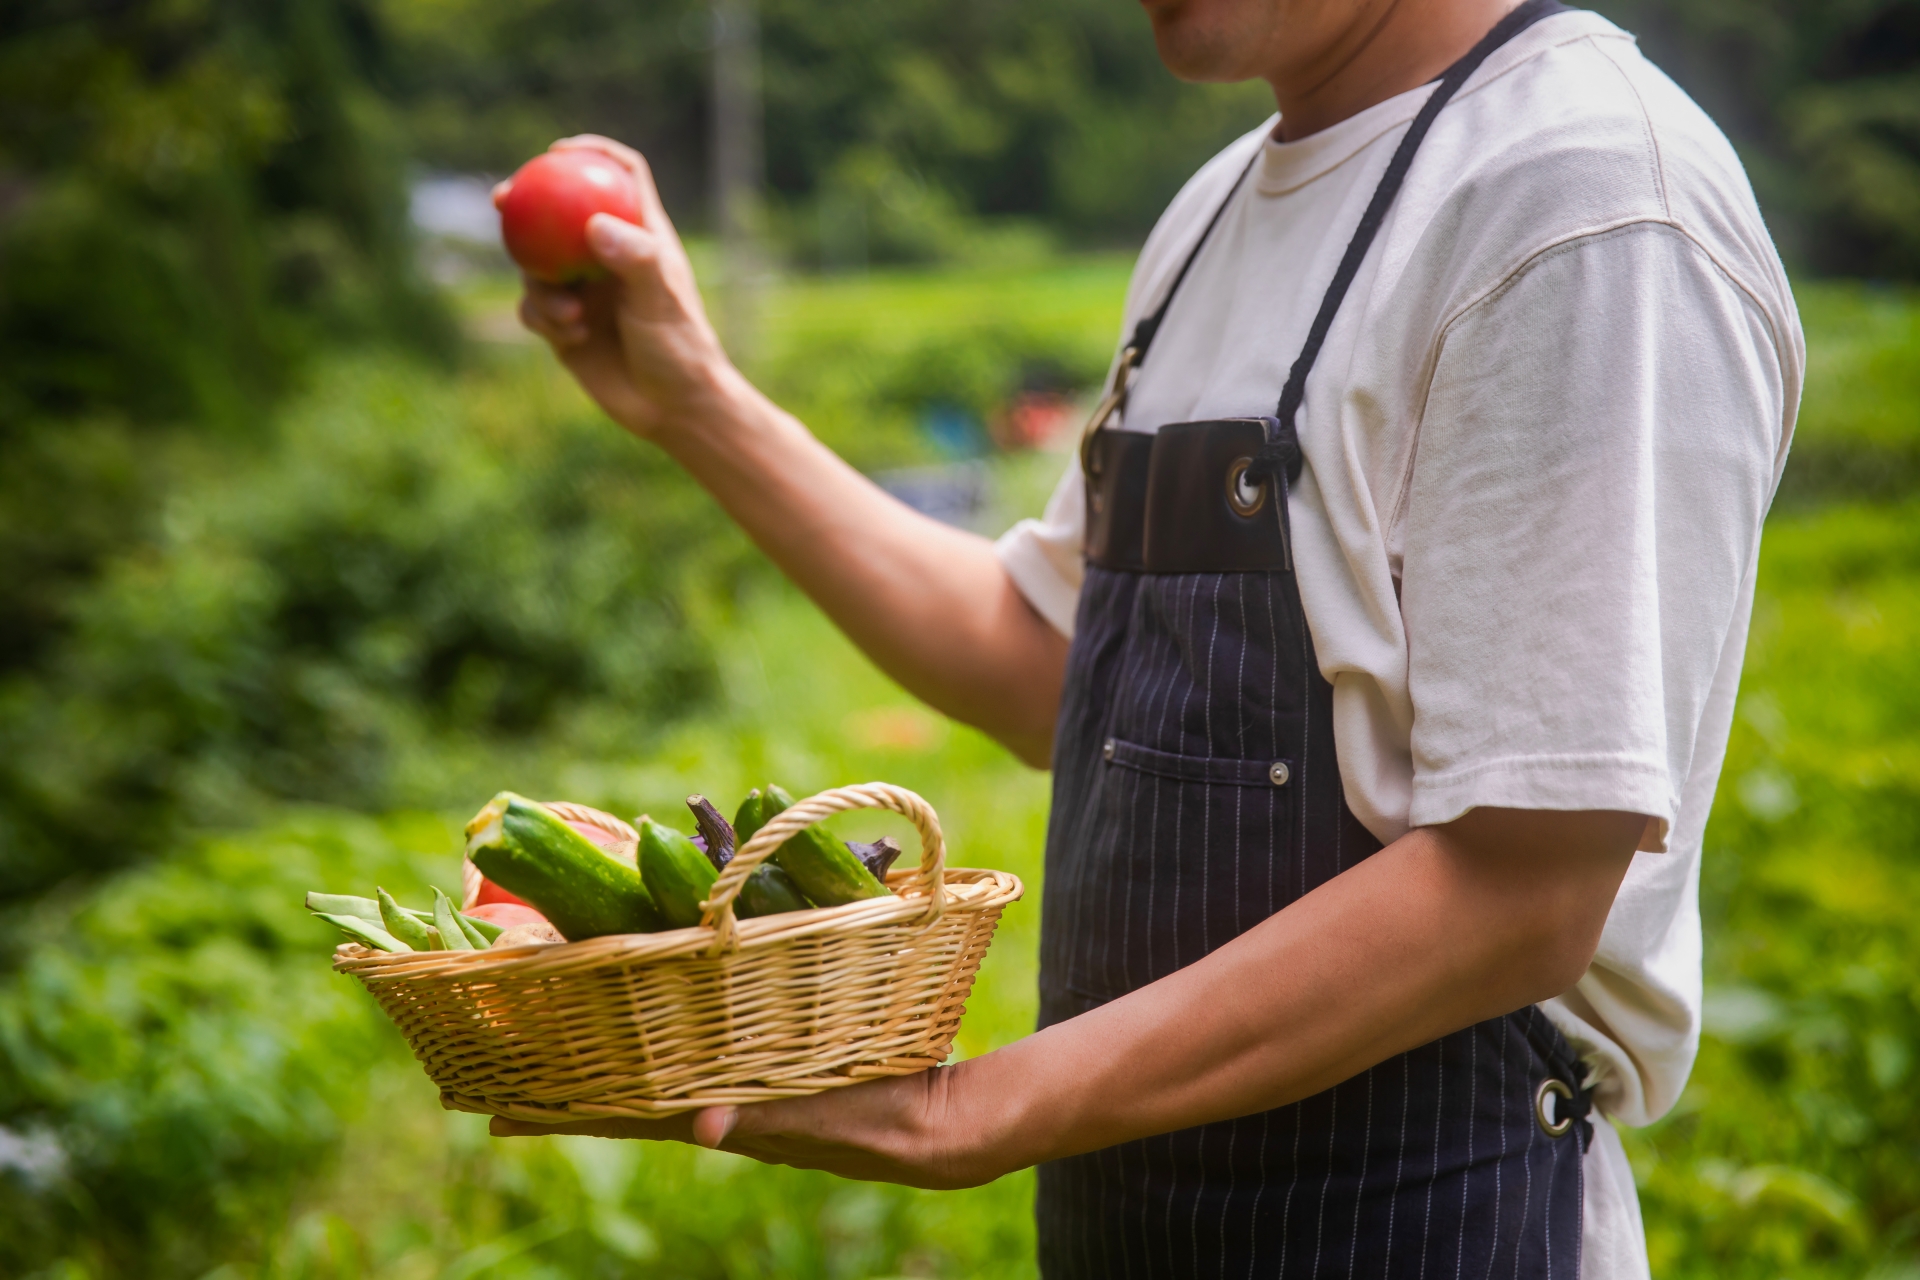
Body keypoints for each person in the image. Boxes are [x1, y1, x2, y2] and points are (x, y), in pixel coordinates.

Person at [489, 0, 1802, 1272]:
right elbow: (1048, 663)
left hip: (1425, 1225)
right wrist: (698, 403)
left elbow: (1523, 888)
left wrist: (975, 1111)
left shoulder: (1580, 204)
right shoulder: (1218, 209)